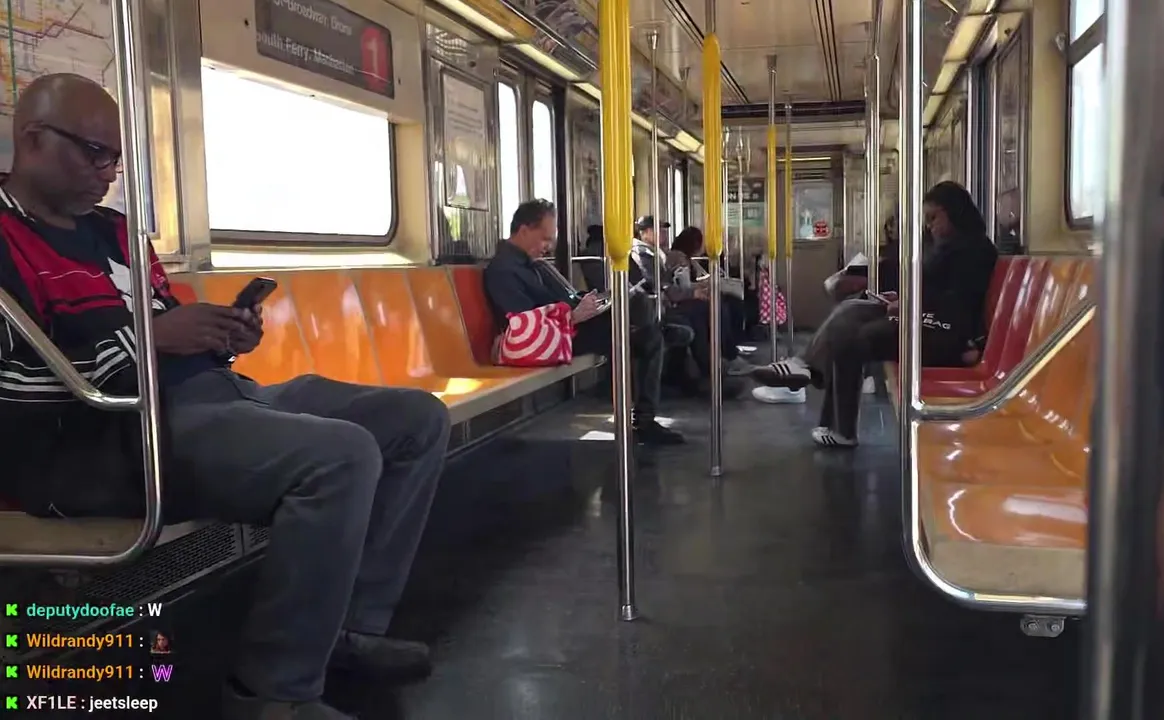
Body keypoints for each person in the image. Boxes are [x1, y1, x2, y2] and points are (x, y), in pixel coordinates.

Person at [0, 75, 448, 720]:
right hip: (108, 439)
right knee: (340, 455)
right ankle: (271, 693)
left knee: (415, 419)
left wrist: (221, 336)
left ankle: (348, 628)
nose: (109, 172)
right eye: (95, 153)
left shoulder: (117, 233)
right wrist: (151, 340)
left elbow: (163, 326)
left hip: (214, 396)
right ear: (33, 139)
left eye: (116, 158)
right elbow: (16, 385)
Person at [753, 181, 997, 447]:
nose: (930, 226)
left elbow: (957, 303)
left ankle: (837, 423)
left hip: (946, 333)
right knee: (853, 309)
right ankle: (805, 367)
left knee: (853, 339)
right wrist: (903, 301)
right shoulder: (949, 247)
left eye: (934, 218)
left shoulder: (975, 251)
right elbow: (934, 291)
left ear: (954, 212)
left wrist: (909, 305)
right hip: (927, 319)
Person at [484, 200, 684, 445]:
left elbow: (564, 297)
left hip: (568, 326)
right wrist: (572, 316)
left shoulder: (533, 264)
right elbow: (523, 323)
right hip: (549, 338)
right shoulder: (504, 270)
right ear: (524, 230)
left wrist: (586, 303)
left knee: (638, 317)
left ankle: (654, 332)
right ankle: (646, 415)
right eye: (545, 239)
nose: (548, 247)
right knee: (645, 329)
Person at [753, 213, 904, 406]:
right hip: (895, 307)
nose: (892, 231)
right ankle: (801, 372)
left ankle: (799, 378)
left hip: (914, 319)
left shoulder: (909, 258)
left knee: (852, 320)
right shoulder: (897, 255)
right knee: (850, 312)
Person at [665, 226, 752, 378]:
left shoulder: (685, 258)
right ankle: (723, 356)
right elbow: (682, 284)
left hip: (683, 296)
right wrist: (700, 288)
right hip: (678, 301)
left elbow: (698, 276)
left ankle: (725, 353)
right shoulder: (677, 257)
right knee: (715, 307)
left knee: (724, 303)